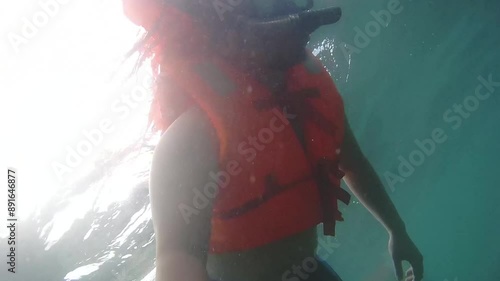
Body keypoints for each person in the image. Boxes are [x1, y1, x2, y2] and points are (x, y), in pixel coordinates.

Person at [122, 0, 424, 280]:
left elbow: (353, 162)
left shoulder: (309, 95)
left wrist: (397, 230)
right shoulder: (192, 135)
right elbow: (178, 257)